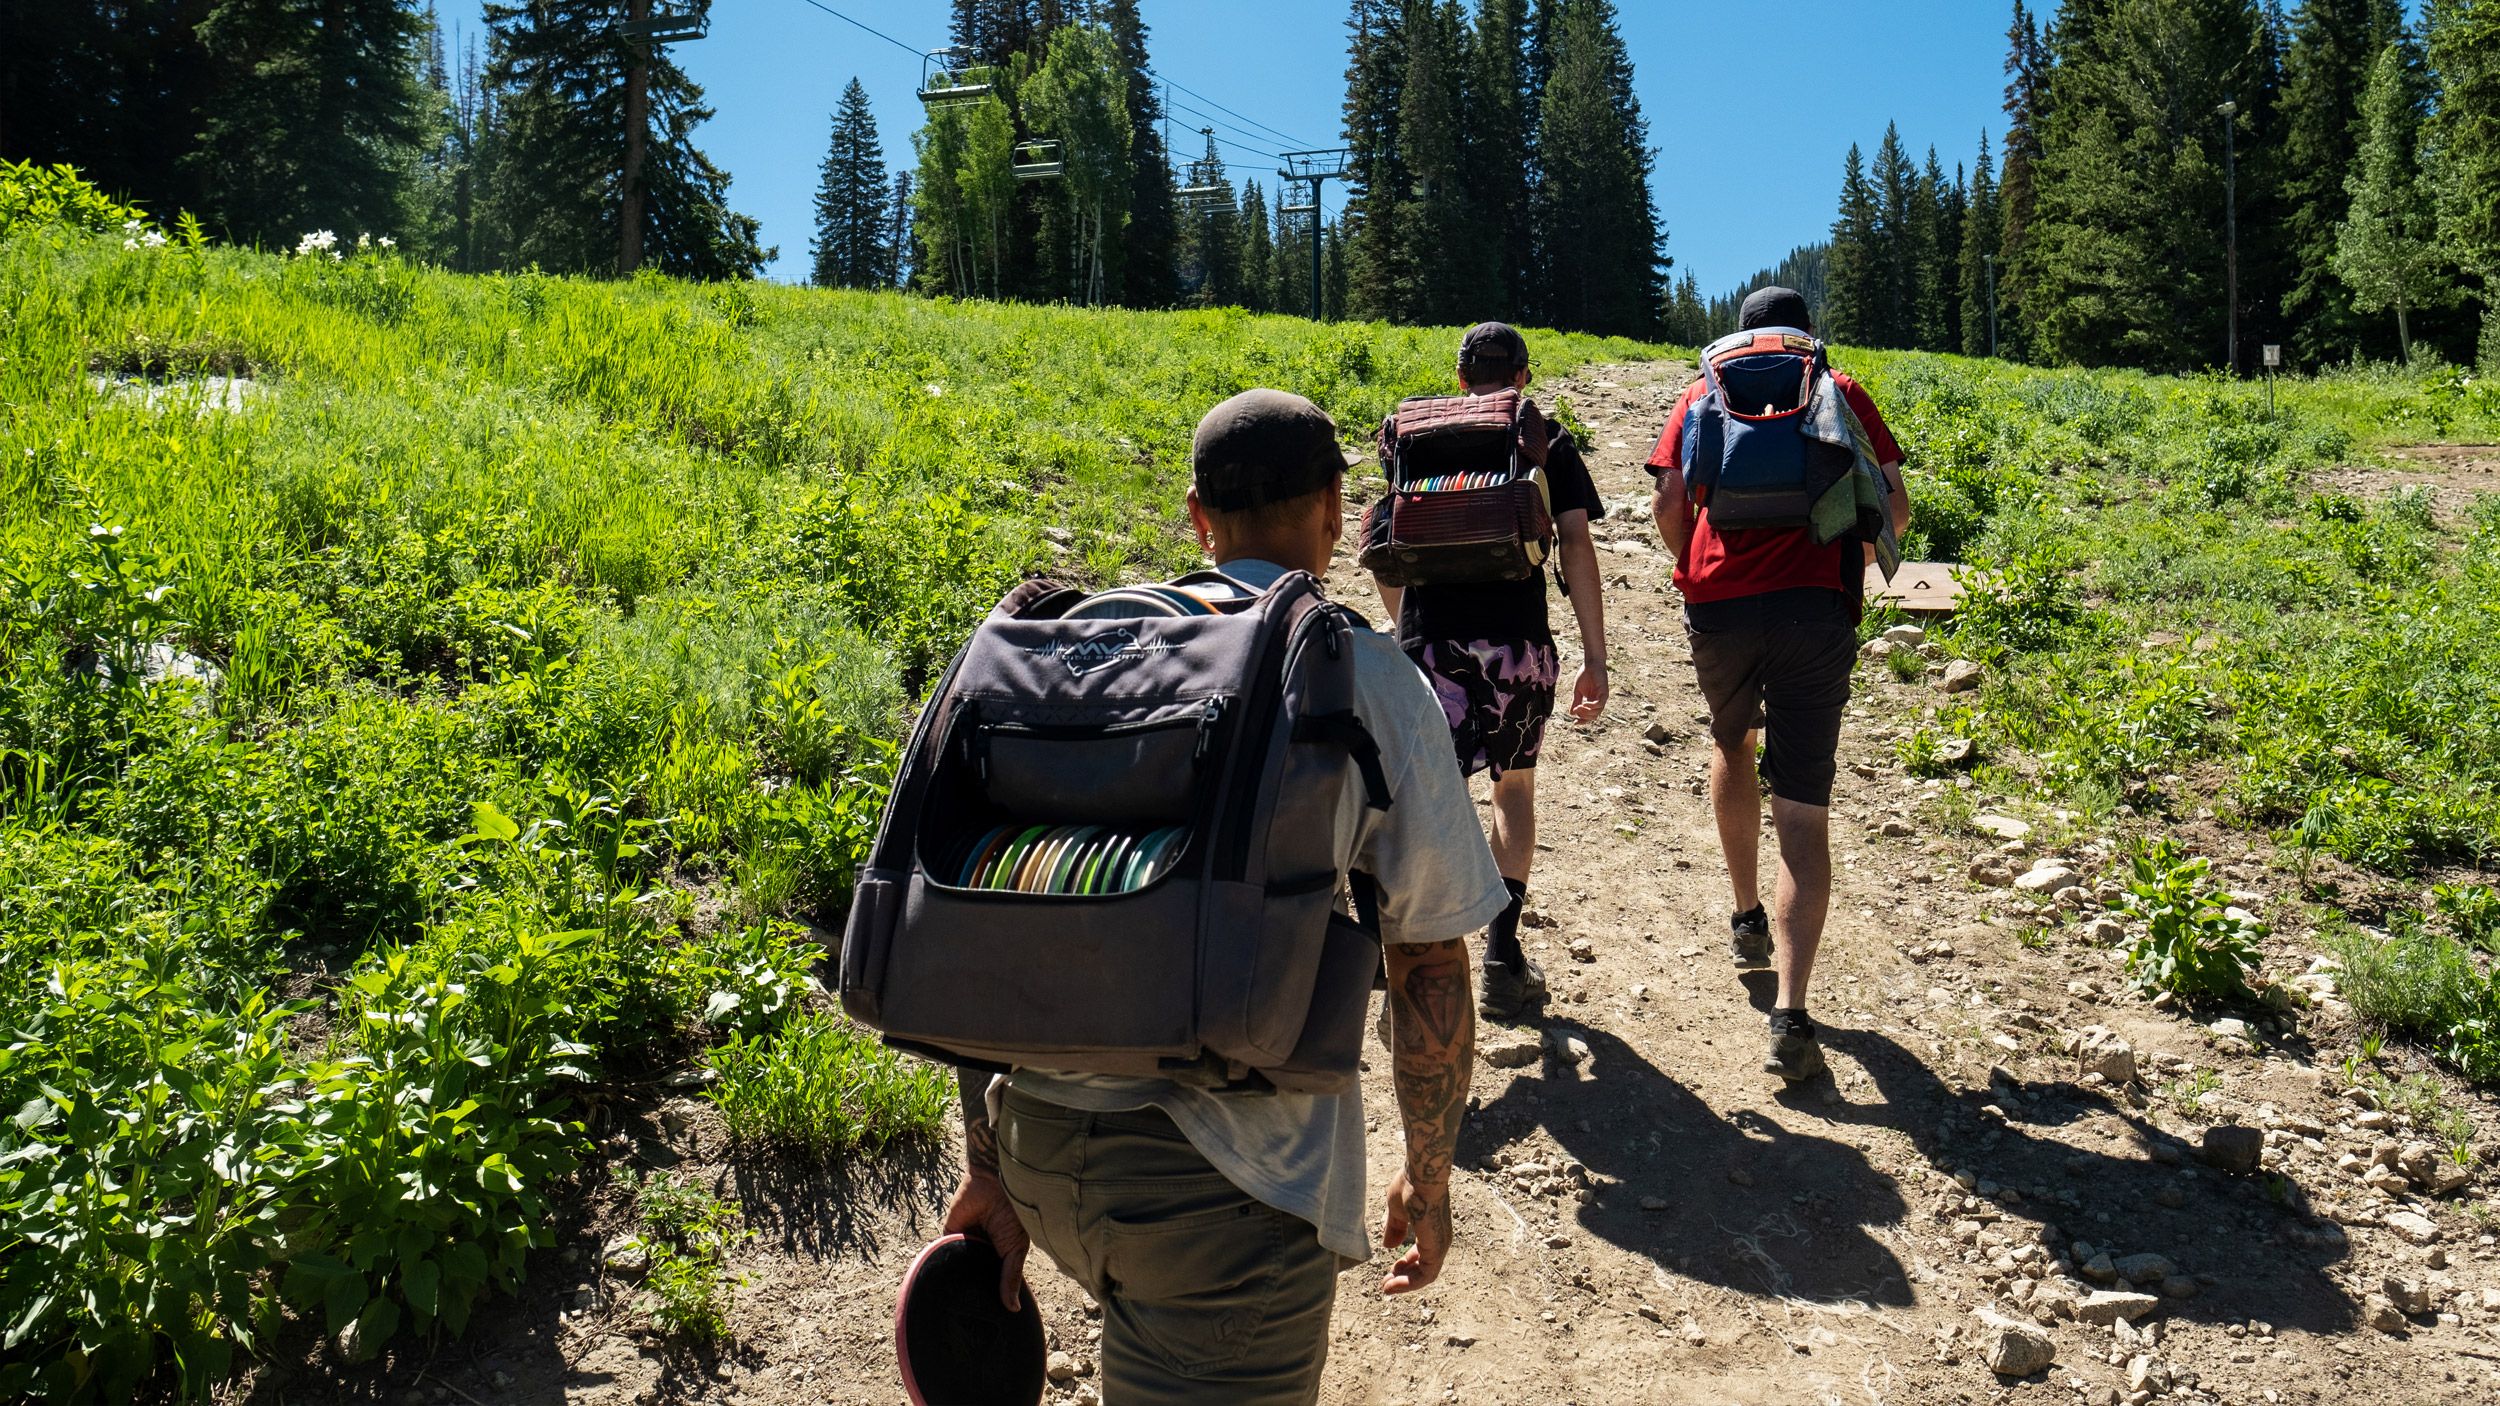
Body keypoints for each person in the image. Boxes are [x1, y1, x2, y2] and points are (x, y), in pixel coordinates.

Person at [941, 389, 1510, 1404]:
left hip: (1039, 1144)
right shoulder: (1361, 673)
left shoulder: (1082, 646)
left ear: (1196, 515)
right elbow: (1426, 959)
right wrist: (1428, 1175)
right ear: (1337, 508)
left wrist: (988, 1161)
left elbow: (998, 913)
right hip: (1229, 1195)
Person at [1645, 287, 1909, 1082]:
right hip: (1814, 611)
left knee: (1732, 742)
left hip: (1721, 608)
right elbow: (1892, 499)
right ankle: (1792, 1012)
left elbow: (1667, 500)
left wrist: (1692, 567)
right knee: (1803, 803)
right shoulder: (1837, 386)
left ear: (1743, 335)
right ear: (1803, 332)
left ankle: (1745, 916)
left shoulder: (1703, 390)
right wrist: (1849, 561)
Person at [1372, 322, 1611, 1023]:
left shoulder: (1405, 434)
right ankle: (1504, 958)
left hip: (1429, 641)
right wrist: (1595, 657)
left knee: (1424, 800)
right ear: (1522, 378)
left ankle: (1415, 959)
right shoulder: (1545, 437)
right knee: (1514, 789)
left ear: (1459, 378)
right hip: (1515, 644)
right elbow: (1575, 545)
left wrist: (1401, 629)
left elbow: (1385, 539)